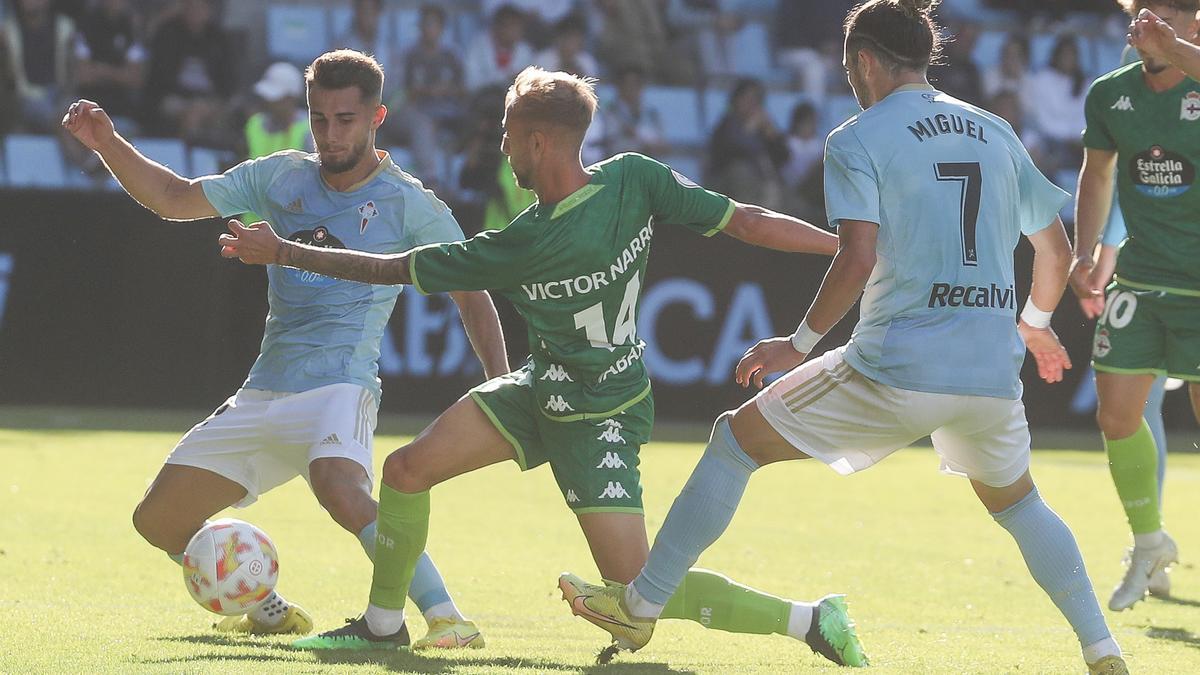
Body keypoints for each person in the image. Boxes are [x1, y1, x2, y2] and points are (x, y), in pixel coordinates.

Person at [221, 66, 869, 667]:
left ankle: (810, 618)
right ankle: (384, 622)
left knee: (640, 591)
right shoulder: (625, 182)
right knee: (404, 470)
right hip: (539, 388)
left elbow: (388, 268)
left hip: (603, 411)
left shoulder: (542, 231)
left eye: (507, 135)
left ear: (537, 142)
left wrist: (285, 253)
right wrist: (845, 246)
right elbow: (749, 223)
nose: (501, 148)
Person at [556, 2, 1126, 673]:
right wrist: (1032, 325)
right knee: (1022, 503)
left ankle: (642, 605)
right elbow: (1054, 254)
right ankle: (1103, 649)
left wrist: (796, 344)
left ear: (864, 61)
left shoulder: (858, 137)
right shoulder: (994, 129)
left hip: (897, 365)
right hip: (988, 374)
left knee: (735, 440)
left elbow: (856, 256)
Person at [60, 49, 509, 650]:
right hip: (264, 388)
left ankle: (447, 618)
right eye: (318, 118)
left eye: (344, 119)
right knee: (158, 522)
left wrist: (500, 387)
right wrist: (107, 143)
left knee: (340, 487)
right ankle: (267, 608)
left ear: (378, 117)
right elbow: (173, 198)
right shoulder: (280, 176)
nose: (328, 134)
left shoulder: (411, 204)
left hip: (339, 383)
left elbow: (471, 292)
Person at [1072, 0, 1200, 611]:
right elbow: (1097, 175)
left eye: (1168, 9)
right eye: (1141, 8)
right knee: (1117, 418)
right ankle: (1148, 542)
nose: (1149, 16)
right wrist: (1084, 252)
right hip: (1141, 283)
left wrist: (1174, 49)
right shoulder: (1109, 93)